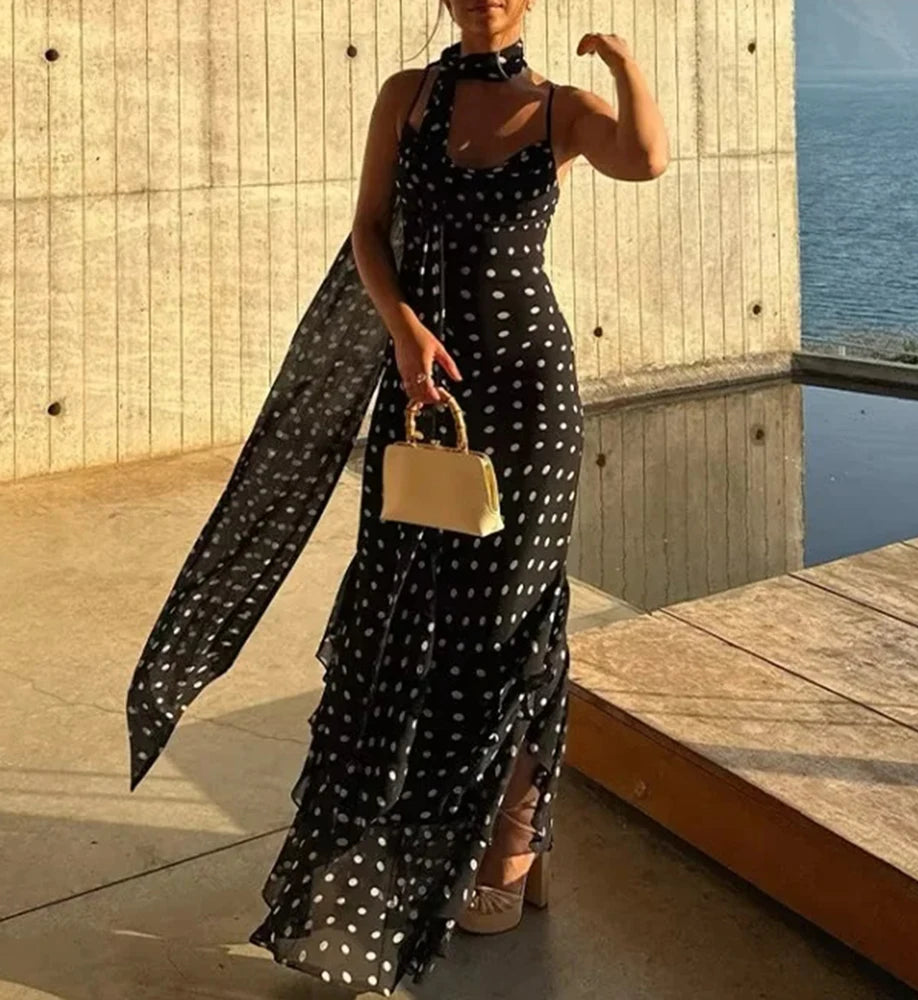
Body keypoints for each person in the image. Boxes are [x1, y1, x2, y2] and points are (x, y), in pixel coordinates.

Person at [125, 1, 668, 994]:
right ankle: (397, 843)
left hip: (529, 398)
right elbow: (369, 230)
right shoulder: (406, 98)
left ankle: (512, 841)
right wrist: (404, 330)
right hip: (422, 398)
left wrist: (625, 65)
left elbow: (644, 159)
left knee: (505, 622)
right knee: (403, 615)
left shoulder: (560, 109)